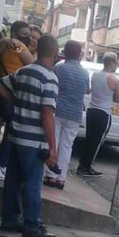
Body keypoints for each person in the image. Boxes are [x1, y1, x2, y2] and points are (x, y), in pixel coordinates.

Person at [0, 34, 59, 237]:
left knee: (12, 179)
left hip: (15, 135)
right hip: (34, 141)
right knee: (33, 182)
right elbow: (47, 114)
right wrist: (53, 147)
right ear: (55, 53)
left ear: (38, 50)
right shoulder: (49, 78)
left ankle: (9, 220)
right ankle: (32, 225)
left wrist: (17, 103)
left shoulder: (23, 71)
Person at [0, 21, 36, 176]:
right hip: (8, 90)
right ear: (16, 33)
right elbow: (33, 64)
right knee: (9, 127)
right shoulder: (17, 45)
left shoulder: (4, 43)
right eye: (25, 34)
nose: (28, 37)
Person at [45, 41, 89, 190]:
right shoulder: (85, 72)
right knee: (67, 146)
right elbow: (87, 90)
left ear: (65, 52)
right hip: (75, 113)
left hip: (58, 110)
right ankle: (61, 178)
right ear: (79, 54)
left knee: (54, 142)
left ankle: (50, 174)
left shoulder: (59, 68)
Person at [77, 52, 119, 176]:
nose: (117, 65)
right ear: (112, 62)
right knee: (97, 141)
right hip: (103, 112)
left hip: (92, 110)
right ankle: (86, 166)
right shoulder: (114, 80)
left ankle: (83, 163)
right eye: (116, 62)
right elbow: (118, 99)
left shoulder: (95, 75)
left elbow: (92, 90)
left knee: (89, 138)